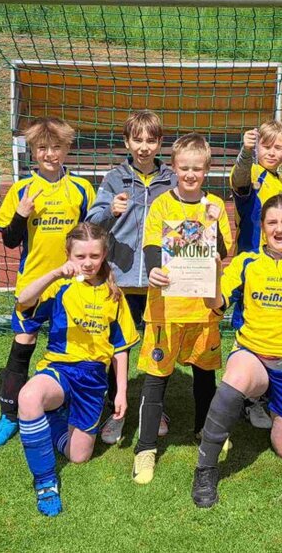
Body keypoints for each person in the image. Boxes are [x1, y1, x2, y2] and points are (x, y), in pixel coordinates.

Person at [191, 194, 282, 508]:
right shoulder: (247, 262)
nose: (279, 228)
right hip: (253, 355)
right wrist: (212, 278)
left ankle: (264, 400)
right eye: (272, 222)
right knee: (237, 376)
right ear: (262, 227)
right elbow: (215, 304)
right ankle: (205, 467)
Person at [14, 223, 138, 516]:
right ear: (69, 254)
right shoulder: (60, 286)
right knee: (29, 397)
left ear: (104, 254)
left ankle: (55, 420)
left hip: (93, 379)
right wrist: (55, 272)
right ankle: (45, 483)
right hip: (60, 368)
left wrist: (121, 391)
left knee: (79, 456)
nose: (88, 262)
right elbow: (23, 301)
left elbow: (120, 348)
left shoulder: (114, 294)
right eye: (80, 256)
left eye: (94, 255)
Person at [0, 117, 96, 447]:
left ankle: (74, 406)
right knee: (23, 344)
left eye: (57, 147)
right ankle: (8, 415)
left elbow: (90, 239)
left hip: (73, 286)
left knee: (75, 347)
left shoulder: (81, 189)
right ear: (33, 151)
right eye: (43, 148)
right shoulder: (23, 190)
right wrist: (21, 213)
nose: (50, 154)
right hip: (34, 283)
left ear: (67, 149)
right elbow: (9, 240)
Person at [133, 133, 233, 485]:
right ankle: (145, 450)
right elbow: (149, 246)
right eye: (184, 168)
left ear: (207, 170)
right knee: (156, 379)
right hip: (165, 309)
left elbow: (222, 252)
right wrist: (155, 268)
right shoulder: (162, 204)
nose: (190, 174)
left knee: (204, 377)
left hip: (203, 309)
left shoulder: (216, 205)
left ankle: (203, 433)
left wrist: (213, 221)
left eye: (197, 169)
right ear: (173, 167)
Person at [86, 110, 176, 445]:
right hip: (121, 281)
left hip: (158, 282)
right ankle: (116, 408)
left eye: (150, 140)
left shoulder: (172, 179)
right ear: (127, 142)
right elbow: (93, 222)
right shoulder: (113, 178)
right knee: (115, 348)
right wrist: (112, 211)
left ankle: (157, 408)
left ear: (159, 143)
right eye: (137, 139)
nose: (143, 146)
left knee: (158, 347)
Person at [231, 120, 282, 429]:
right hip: (251, 269)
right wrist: (245, 153)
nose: (271, 152)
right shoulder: (253, 174)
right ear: (257, 147)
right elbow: (240, 179)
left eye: (278, 147)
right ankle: (248, 399)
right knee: (249, 330)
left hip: (276, 268)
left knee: (271, 325)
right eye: (265, 146)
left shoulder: (278, 183)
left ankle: (261, 392)